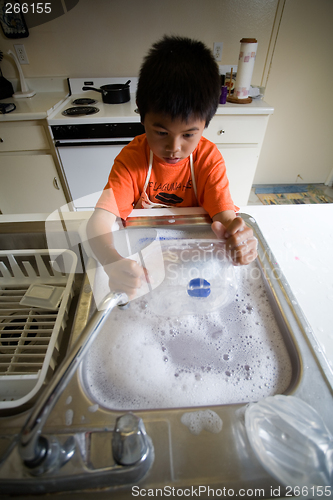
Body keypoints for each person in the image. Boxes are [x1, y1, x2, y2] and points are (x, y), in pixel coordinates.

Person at [86, 35, 257, 298]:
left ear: (206, 124)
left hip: (195, 266)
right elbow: (98, 223)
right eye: (161, 132)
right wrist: (112, 262)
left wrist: (240, 238)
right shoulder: (132, 160)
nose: (174, 147)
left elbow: (225, 219)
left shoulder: (208, 160)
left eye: (189, 134)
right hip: (147, 266)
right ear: (142, 115)